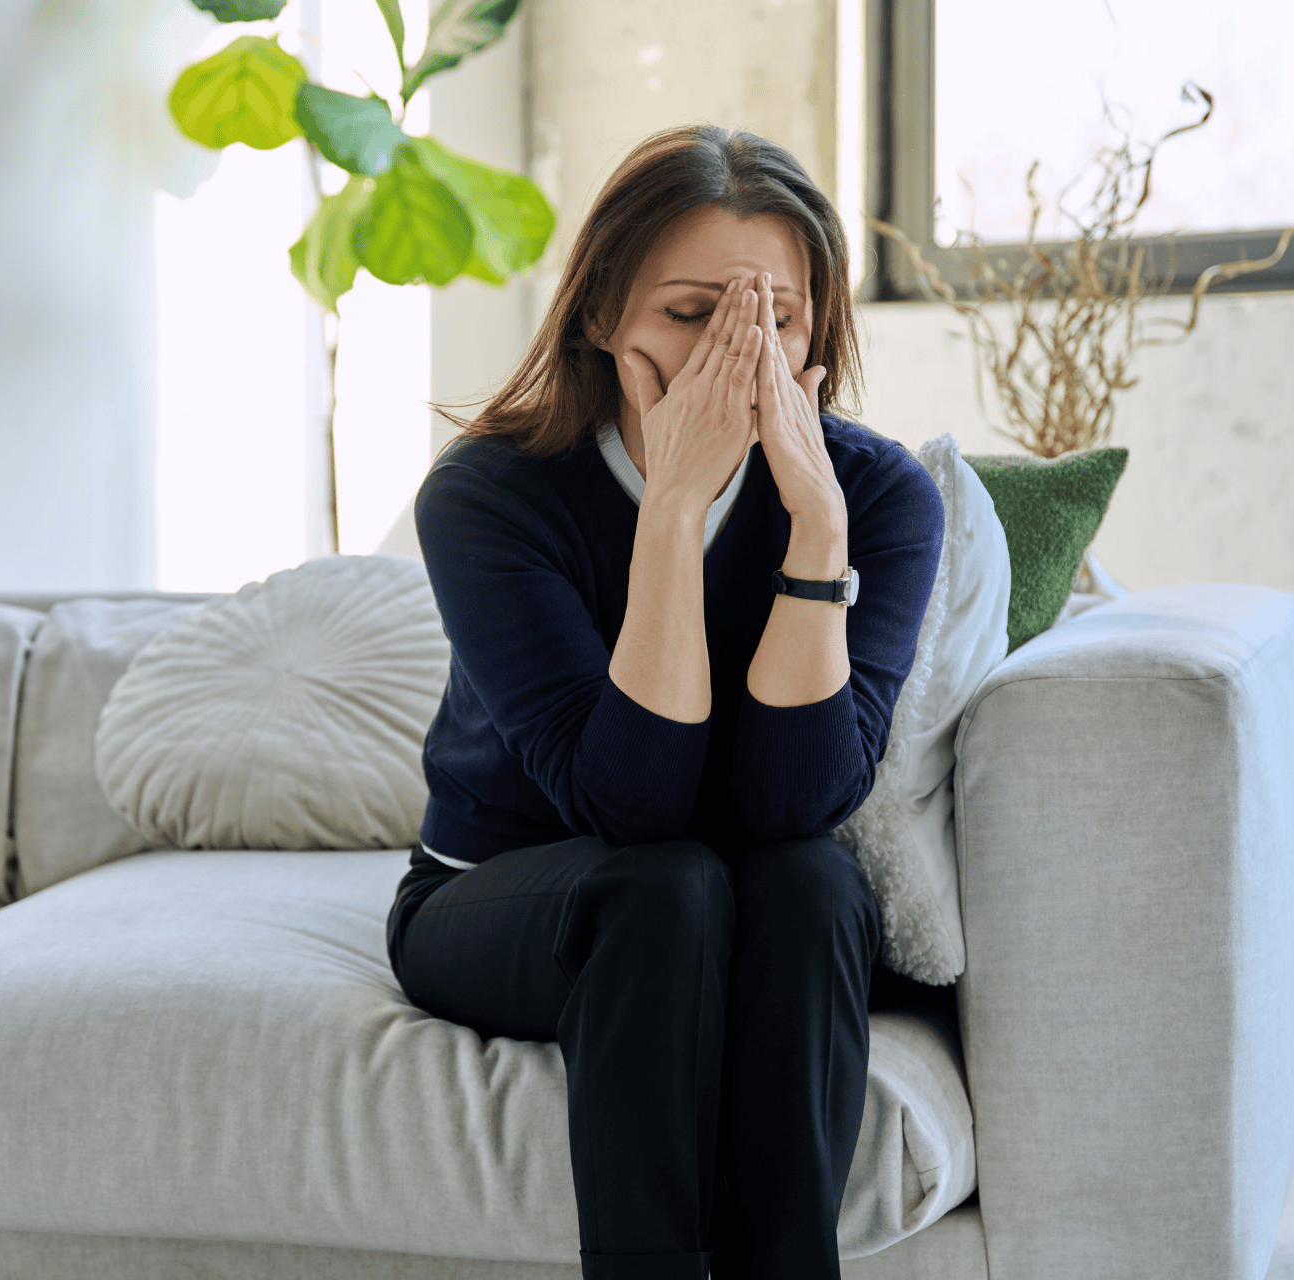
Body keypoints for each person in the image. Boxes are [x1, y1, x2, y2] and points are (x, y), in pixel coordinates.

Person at [387, 124, 945, 1280]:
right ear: (603, 313)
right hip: (506, 891)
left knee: (810, 882)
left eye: (774, 320)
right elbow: (629, 801)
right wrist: (675, 510)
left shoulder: (880, 497)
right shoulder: (490, 495)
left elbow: (798, 800)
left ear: (816, 332)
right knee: (666, 884)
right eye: (693, 314)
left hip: (747, 883)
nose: (734, 357)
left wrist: (818, 531)